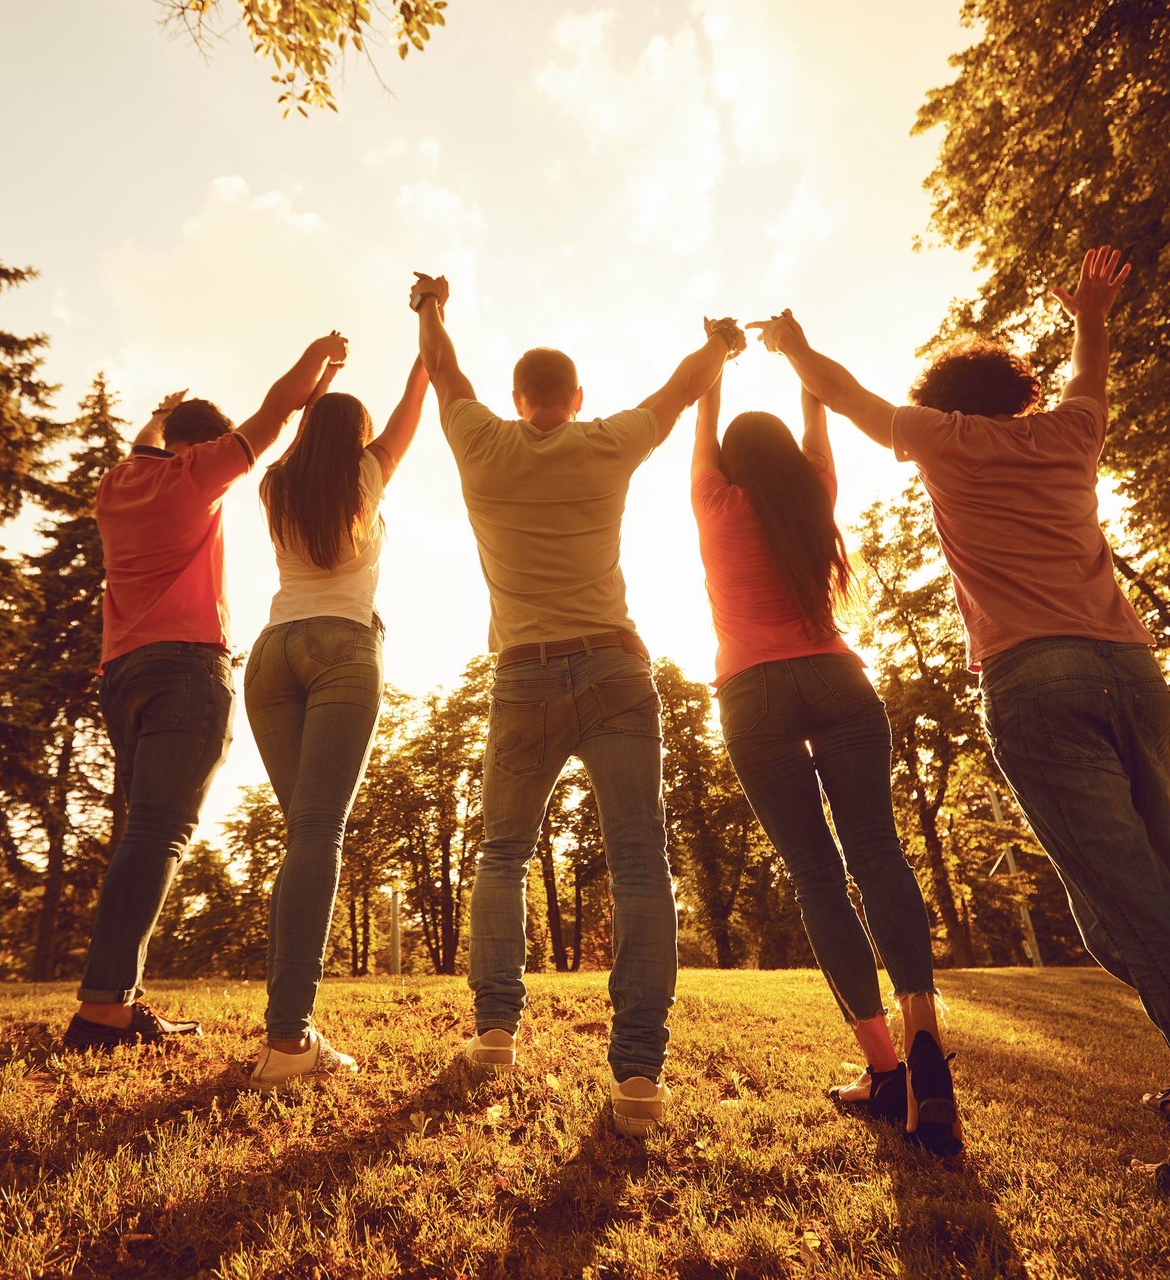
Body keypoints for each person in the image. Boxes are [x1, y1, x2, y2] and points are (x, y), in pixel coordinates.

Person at [748, 247, 1170, 1221]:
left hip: (1035, 681)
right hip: (1130, 673)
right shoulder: (1069, 434)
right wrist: (1093, 313)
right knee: (1136, 913)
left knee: (1140, 913)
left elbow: (845, 393)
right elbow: (1089, 375)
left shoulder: (942, 437)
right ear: (1016, 394)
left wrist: (794, 345)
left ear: (948, 398)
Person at [410, 272, 738, 1136]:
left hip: (522, 675)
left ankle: (493, 1034)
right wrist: (719, 344)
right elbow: (675, 394)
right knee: (639, 861)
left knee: (502, 853)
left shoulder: (481, 441)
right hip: (614, 670)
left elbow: (445, 374)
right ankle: (638, 1078)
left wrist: (431, 310)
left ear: (519, 400)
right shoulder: (606, 441)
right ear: (576, 396)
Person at [689, 341, 960, 1157]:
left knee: (816, 876)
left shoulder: (712, 499)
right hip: (839, 679)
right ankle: (922, 1025)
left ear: (734, 463)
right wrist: (793, 351)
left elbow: (699, 425)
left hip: (752, 692)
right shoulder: (814, 496)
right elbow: (816, 421)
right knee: (878, 853)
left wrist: (716, 357)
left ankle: (885, 1071)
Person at [63, 334, 348, 1052]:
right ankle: (102, 1012)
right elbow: (274, 412)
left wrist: (160, 416)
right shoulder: (196, 474)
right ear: (207, 444)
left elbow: (141, 443)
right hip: (186, 670)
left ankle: (118, 1002)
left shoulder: (118, 483)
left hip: (122, 676)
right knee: (160, 835)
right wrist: (320, 361)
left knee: (141, 834)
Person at [246, 352, 430, 1088]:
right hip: (341, 648)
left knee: (302, 840)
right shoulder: (367, 475)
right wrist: (427, 341)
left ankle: (292, 1032)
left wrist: (316, 388)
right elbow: (411, 408)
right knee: (317, 837)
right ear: (355, 437)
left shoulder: (275, 484)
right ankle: (288, 1043)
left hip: (271, 655)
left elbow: (294, 427)